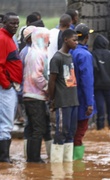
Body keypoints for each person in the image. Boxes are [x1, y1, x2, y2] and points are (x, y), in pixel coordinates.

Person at [48, 29, 79, 163]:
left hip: (73, 100)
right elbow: (52, 81)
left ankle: (67, 166)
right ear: (66, 39)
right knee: (61, 132)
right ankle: (56, 167)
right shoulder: (57, 58)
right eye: (74, 39)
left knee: (71, 132)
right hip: (63, 101)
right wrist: (52, 100)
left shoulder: (70, 57)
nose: (76, 42)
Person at [23, 27, 51, 163]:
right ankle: (34, 159)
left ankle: (31, 157)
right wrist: (48, 88)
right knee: (38, 128)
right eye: (47, 39)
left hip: (30, 94)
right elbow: (36, 76)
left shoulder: (33, 52)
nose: (49, 42)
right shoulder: (38, 54)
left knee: (34, 127)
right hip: (35, 95)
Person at [70, 23, 95, 160]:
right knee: (79, 132)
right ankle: (77, 164)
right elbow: (87, 81)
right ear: (87, 37)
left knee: (70, 132)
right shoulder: (85, 55)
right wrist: (90, 103)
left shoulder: (69, 51)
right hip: (82, 99)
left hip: (69, 99)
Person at [0, 12, 23, 163]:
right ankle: (4, 158)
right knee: (6, 123)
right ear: (4, 23)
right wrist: (6, 83)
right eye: (11, 23)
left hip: (9, 86)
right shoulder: (3, 39)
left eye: (17, 23)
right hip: (5, 88)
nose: (15, 26)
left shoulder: (8, 38)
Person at [92, 34, 110, 130]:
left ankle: (100, 129)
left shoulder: (93, 54)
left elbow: (94, 68)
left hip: (97, 87)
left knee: (100, 110)